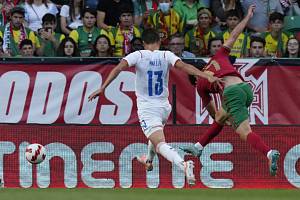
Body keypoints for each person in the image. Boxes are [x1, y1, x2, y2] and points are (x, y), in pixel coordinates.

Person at [88, 28, 221, 186]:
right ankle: (148, 160)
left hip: (148, 107)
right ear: (159, 41)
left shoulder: (137, 55)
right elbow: (184, 66)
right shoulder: (166, 55)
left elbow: (118, 69)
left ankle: (183, 164)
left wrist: (103, 88)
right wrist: (205, 75)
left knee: (159, 143)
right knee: (154, 135)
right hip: (164, 107)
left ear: (143, 43)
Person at [180, 5, 280, 177]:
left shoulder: (200, 84)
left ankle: (270, 153)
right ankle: (198, 147)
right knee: (222, 115)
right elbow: (234, 34)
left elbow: (212, 113)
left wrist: (226, 120)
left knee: (244, 132)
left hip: (233, 93)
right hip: (245, 88)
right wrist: (247, 17)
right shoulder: (217, 56)